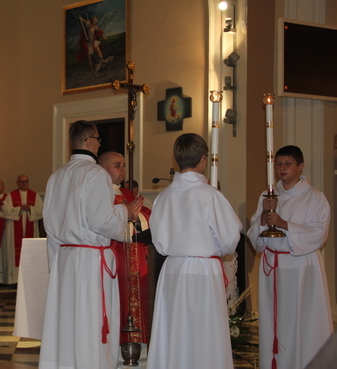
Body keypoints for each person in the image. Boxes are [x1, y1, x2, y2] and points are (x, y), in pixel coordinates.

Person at [39, 120, 142, 369]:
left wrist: (56, 263)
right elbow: (101, 221)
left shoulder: (57, 176)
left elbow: (50, 225)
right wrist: (124, 212)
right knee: (90, 319)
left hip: (65, 258)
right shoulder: (95, 173)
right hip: (90, 260)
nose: (99, 143)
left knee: (68, 319)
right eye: (97, 139)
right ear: (88, 142)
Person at [147, 133, 242, 369]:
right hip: (203, 270)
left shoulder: (163, 197)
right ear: (203, 159)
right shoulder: (210, 195)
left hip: (172, 271)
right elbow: (230, 240)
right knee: (204, 333)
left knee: (175, 331)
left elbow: (157, 241)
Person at [247, 145, 333, 369]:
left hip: (301, 268)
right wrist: (265, 217)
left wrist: (284, 224)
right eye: (278, 164)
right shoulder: (267, 196)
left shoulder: (315, 197)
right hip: (272, 268)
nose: (282, 169)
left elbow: (319, 234)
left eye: (288, 164)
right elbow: (255, 237)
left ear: (300, 166)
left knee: (300, 322)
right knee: (274, 323)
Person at [98, 151, 151, 352]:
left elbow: (145, 216)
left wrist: (137, 218)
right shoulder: (100, 194)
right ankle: (114, 348)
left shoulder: (128, 194)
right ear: (103, 169)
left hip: (135, 256)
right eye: (117, 165)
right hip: (115, 257)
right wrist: (127, 215)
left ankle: (139, 347)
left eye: (124, 165)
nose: (123, 170)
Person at [2, 174, 43, 285]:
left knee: (30, 252)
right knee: (14, 252)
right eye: (21, 181)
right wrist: (19, 209)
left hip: (31, 227)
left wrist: (30, 209)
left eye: (26, 181)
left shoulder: (35, 196)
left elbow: (41, 211)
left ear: (28, 183)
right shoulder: (11, 196)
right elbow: (6, 210)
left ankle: (30, 280)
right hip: (14, 228)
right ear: (17, 183)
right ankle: (14, 279)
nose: (24, 183)